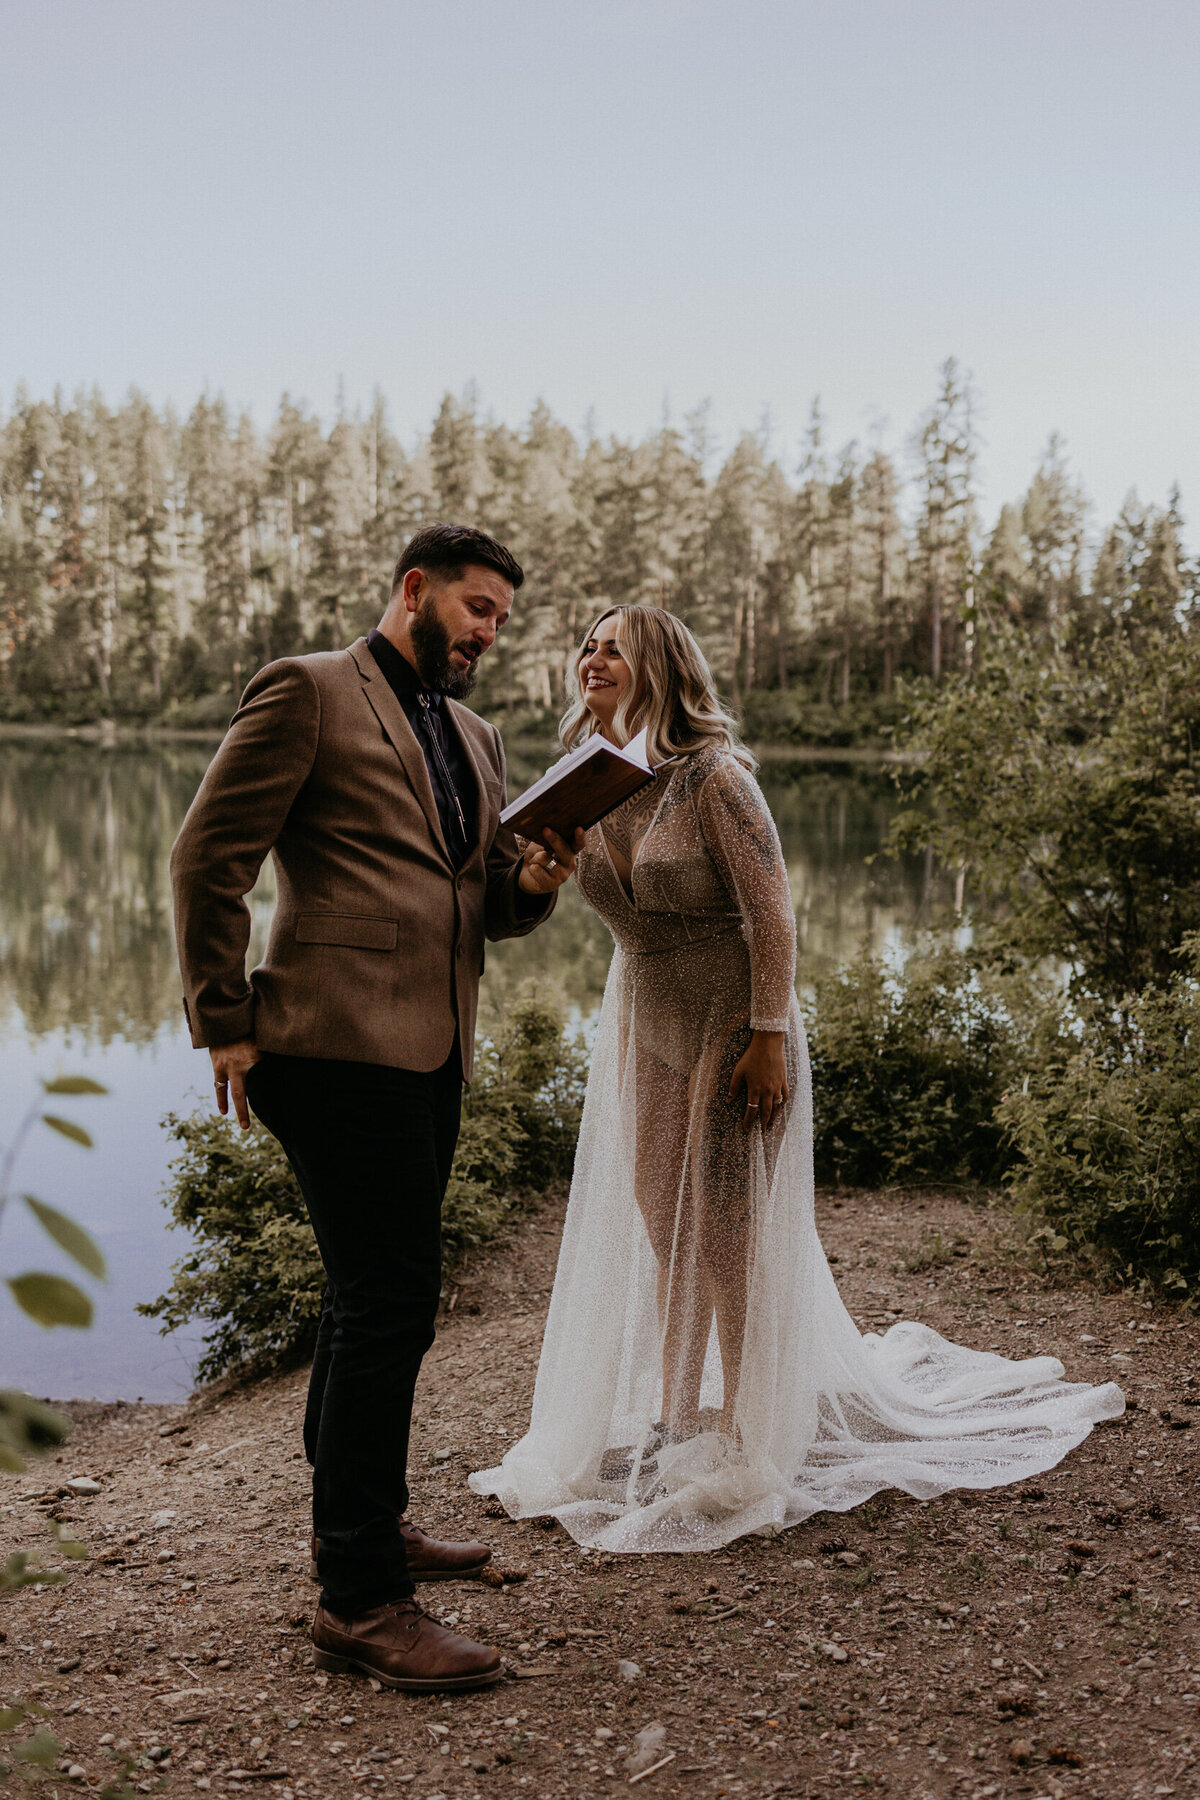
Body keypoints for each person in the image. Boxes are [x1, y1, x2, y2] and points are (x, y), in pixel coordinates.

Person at [471, 604, 1123, 1554]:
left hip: (734, 1017)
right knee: (665, 1218)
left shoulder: (715, 777)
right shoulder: (590, 778)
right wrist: (541, 868)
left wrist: (769, 1033)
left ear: (659, 665)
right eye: (585, 645)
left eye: (613, 646)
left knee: (728, 1226)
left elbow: (773, 916)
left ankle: (745, 1427)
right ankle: (676, 1404)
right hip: (646, 1018)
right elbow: (583, 896)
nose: (590, 658)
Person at [170, 523, 581, 1690]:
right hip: (328, 1043)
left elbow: (481, 900)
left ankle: (370, 1520)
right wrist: (225, 1017)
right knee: (389, 1301)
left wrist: (536, 884)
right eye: (477, 607)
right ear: (414, 591)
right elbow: (207, 859)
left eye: (502, 616)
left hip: (434, 1049)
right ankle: (356, 1596)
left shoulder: (479, 734)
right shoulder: (307, 693)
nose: (490, 632)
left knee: (374, 1303)